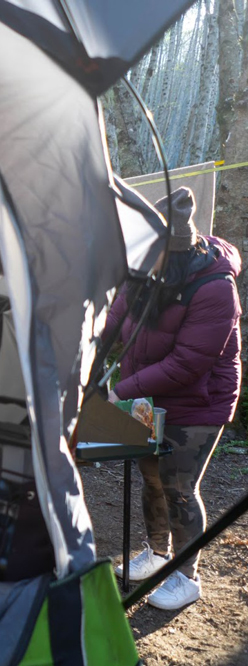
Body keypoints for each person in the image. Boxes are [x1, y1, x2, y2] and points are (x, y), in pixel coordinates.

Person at [106, 186, 241, 610]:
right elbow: (116, 315)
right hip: (148, 392)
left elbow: (187, 363)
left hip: (198, 401)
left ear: (176, 252)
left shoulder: (215, 287)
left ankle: (186, 576)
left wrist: (120, 391)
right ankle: (158, 554)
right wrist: (84, 360)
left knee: (179, 486)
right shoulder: (147, 268)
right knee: (151, 477)